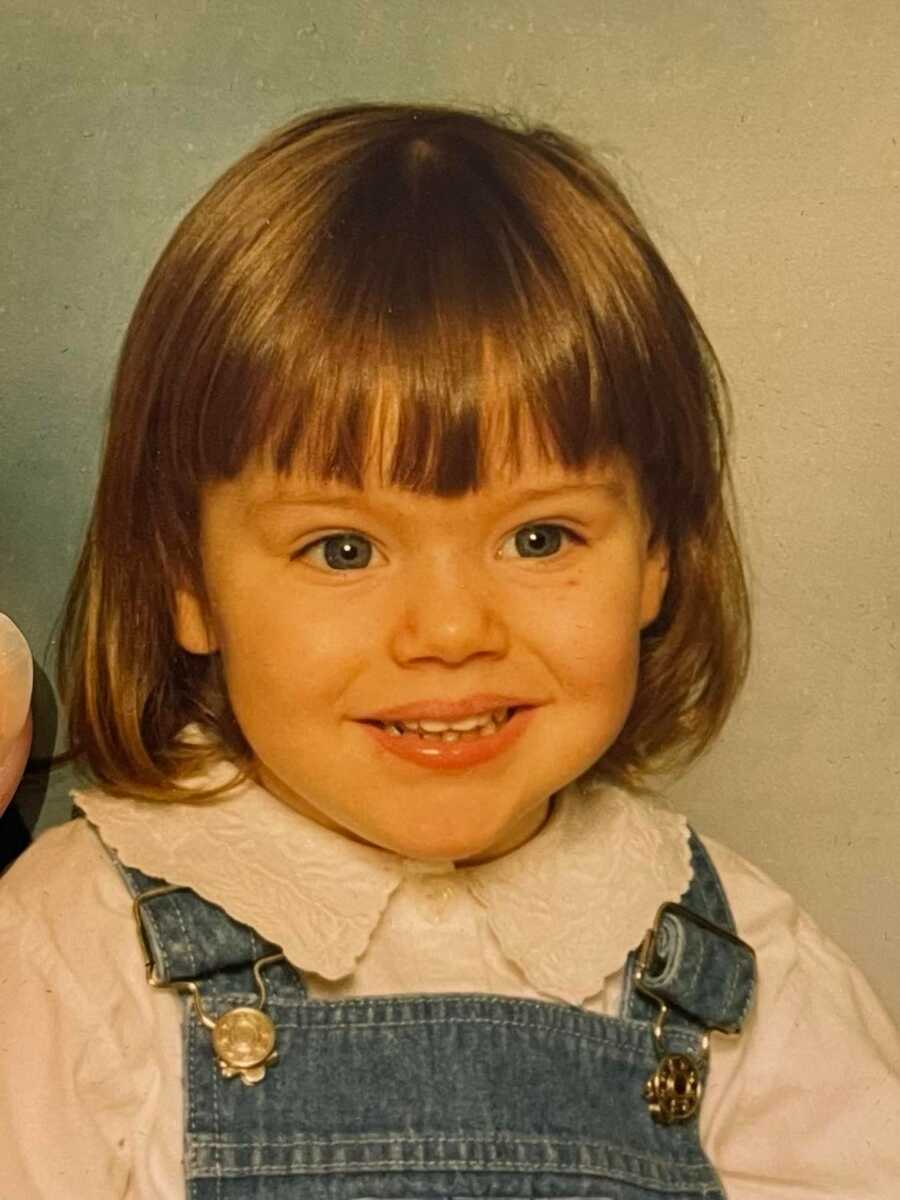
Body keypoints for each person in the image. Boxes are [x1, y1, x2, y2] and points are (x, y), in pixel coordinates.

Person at [0, 102, 897, 1199]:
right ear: (187, 581)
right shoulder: (64, 959)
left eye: (539, 537)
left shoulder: (747, 967)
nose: (453, 631)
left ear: (657, 556)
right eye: (341, 549)